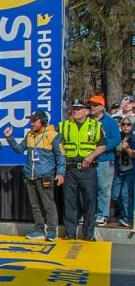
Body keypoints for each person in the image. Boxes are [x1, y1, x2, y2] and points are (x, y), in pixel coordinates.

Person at [3, 111, 64, 241]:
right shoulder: (30, 134)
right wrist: (10, 138)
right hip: (30, 175)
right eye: (31, 120)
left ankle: (52, 231)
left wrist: (60, 173)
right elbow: (19, 149)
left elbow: (61, 156)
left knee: (48, 204)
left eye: (34, 121)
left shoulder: (53, 135)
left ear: (43, 121)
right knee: (35, 205)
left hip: (45, 175)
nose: (31, 123)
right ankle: (39, 229)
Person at [58, 100, 105, 240]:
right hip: (70, 168)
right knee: (69, 201)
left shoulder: (95, 126)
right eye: (74, 108)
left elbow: (102, 145)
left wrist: (91, 156)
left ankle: (88, 234)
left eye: (79, 109)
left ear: (86, 111)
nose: (75, 111)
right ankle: (70, 232)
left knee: (89, 201)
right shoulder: (64, 126)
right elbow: (59, 144)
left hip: (88, 168)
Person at [88, 93, 121, 226]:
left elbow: (116, 139)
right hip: (89, 160)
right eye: (91, 104)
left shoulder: (110, 121)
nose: (92, 107)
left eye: (95, 105)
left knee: (104, 188)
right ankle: (90, 213)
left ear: (102, 107)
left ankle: (102, 214)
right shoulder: (88, 120)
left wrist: (101, 148)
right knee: (90, 188)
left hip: (105, 159)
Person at [114, 117, 135, 228]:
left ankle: (128, 218)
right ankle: (122, 214)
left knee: (126, 195)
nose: (126, 127)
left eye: (128, 124)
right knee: (115, 195)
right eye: (124, 125)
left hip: (130, 170)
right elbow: (116, 152)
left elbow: (133, 154)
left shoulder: (133, 137)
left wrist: (126, 148)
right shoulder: (118, 137)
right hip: (119, 170)